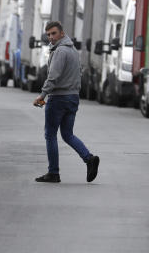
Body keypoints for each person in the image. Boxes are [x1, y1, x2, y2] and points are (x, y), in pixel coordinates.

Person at [33, 21, 99, 183]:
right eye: (48, 34)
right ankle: (89, 158)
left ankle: (53, 173)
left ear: (62, 33)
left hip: (59, 98)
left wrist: (42, 95)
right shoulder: (73, 50)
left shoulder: (61, 51)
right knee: (67, 134)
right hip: (73, 97)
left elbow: (53, 77)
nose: (51, 37)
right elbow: (79, 73)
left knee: (50, 135)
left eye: (54, 33)